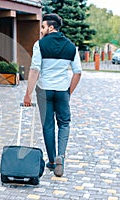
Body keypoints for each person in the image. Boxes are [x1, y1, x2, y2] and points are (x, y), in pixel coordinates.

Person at [23, 13, 82, 177]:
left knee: (48, 125)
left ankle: (52, 160)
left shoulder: (39, 45)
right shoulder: (71, 46)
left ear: (50, 27)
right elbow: (78, 72)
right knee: (64, 123)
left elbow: (35, 69)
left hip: (44, 90)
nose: (41, 30)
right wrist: (68, 92)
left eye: (43, 27)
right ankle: (60, 156)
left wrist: (28, 94)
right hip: (62, 90)